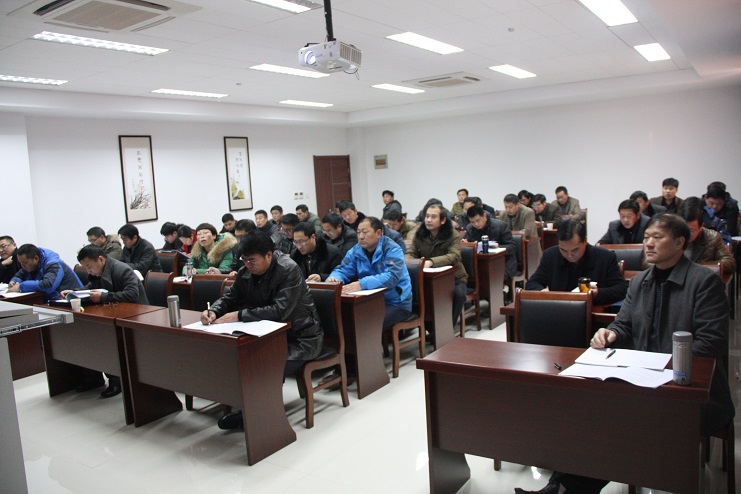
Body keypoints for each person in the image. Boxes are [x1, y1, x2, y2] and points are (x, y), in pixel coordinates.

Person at [524, 214, 735, 494]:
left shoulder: (704, 282)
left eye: (657, 237)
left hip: (691, 391)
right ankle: (562, 486)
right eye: (646, 237)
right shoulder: (640, 282)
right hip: (644, 385)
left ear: (679, 242)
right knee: (593, 413)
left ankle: (564, 488)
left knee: (620, 423)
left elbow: (711, 343)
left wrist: (658, 367)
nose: (648, 243)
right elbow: (623, 325)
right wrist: (609, 333)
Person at [202, 231, 323, 430]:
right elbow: (230, 297)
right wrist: (213, 311)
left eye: (252, 260)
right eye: (244, 260)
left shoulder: (288, 269)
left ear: (268, 255)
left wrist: (240, 315)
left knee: (263, 364)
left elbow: (280, 310)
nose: (248, 265)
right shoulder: (246, 270)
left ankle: (259, 415)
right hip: (265, 337)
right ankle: (248, 406)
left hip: (300, 339)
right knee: (239, 359)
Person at [63, 245, 149, 398]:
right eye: (85, 267)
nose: (88, 271)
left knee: (104, 338)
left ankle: (116, 380)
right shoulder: (99, 271)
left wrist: (103, 297)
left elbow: (132, 294)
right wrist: (75, 292)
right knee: (85, 334)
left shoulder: (122, 269)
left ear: (101, 260)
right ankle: (93, 377)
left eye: (89, 266)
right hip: (113, 315)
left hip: (135, 317)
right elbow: (91, 287)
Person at [327, 216, 413, 330]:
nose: (361, 236)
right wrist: (334, 278)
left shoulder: (392, 249)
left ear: (378, 233)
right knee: (342, 320)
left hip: (396, 303)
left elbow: (392, 277)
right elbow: (343, 269)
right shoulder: (356, 251)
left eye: (365, 232)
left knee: (365, 324)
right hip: (369, 301)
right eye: (358, 232)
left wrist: (362, 284)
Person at [526, 220, 628, 305]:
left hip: (592, 311)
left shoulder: (605, 257)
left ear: (585, 241)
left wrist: (598, 293)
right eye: (563, 250)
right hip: (559, 310)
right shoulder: (551, 255)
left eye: (575, 250)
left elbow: (622, 288)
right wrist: (543, 292)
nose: (569, 255)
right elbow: (532, 283)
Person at [406, 204, 468, 325]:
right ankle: (429, 327)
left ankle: (448, 326)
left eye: (433, 217)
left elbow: (454, 255)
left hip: (454, 278)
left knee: (458, 294)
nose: (428, 220)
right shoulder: (420, 233)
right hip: (428, 278)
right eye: (427, 216)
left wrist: (431, 262)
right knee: (415, 295)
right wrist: (410, 261)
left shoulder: (452, 234)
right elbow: (410, 252)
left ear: (443, 220)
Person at [677, 198, 736, 274]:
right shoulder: (672, 235)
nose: (686, 234)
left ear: (701, 227)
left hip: (701, 277)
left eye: (691, 230)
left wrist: (699, 266)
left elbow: (729, 263)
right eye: (683, 229)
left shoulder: (713, 237)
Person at [7, 244, 81, 301]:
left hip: (71, 300)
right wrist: (15, 281)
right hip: (50, 300)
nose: (22, 266)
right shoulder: (30, 264)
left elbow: (48, 285)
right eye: (20, 263)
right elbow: (20, 275)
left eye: (24, 262)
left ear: (36, 258)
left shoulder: (54, 264)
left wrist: (21, 286)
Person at [464, 206, 517, 280]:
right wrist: (466, 244)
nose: (476, 224)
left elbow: (512, 247)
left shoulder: (501, 226)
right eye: (472, 222)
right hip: (481, 263)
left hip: (503, 263)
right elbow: (468, 244)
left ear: (484, 216)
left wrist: (499, 247)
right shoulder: (470, 228)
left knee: (488, 276)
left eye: (478, 220)